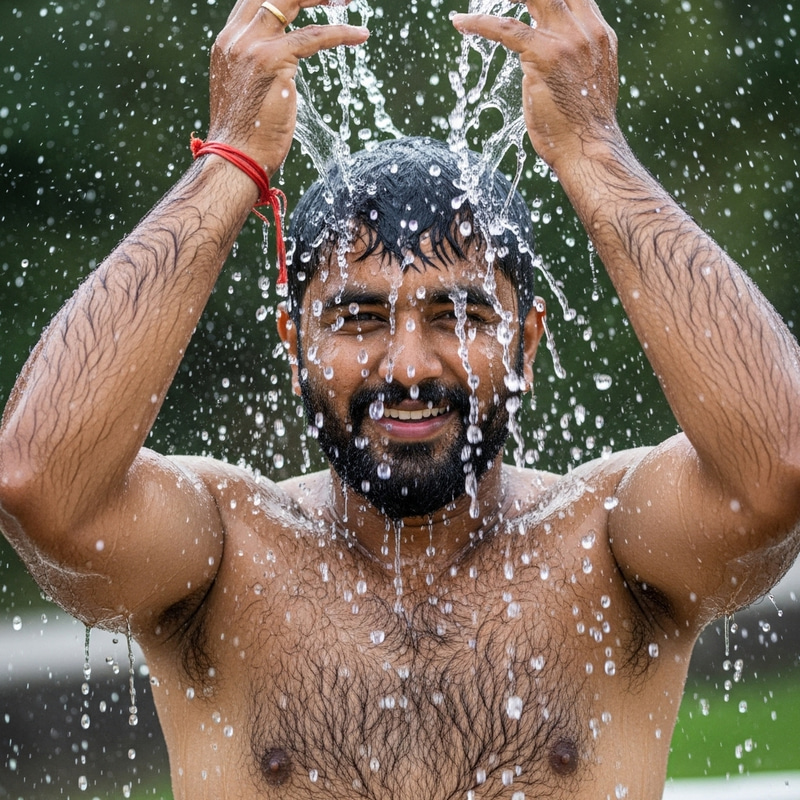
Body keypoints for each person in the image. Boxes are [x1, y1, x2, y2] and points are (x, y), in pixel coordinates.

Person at [0, 0, 798, 797]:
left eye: (460, 314)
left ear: (526, 340)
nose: (409, 366)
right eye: (359, 317)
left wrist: (595, 148)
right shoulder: (222, 558)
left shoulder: (609, 548)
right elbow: (41, 484)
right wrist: (229, 160)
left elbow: (779, 466)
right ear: (293, 342)